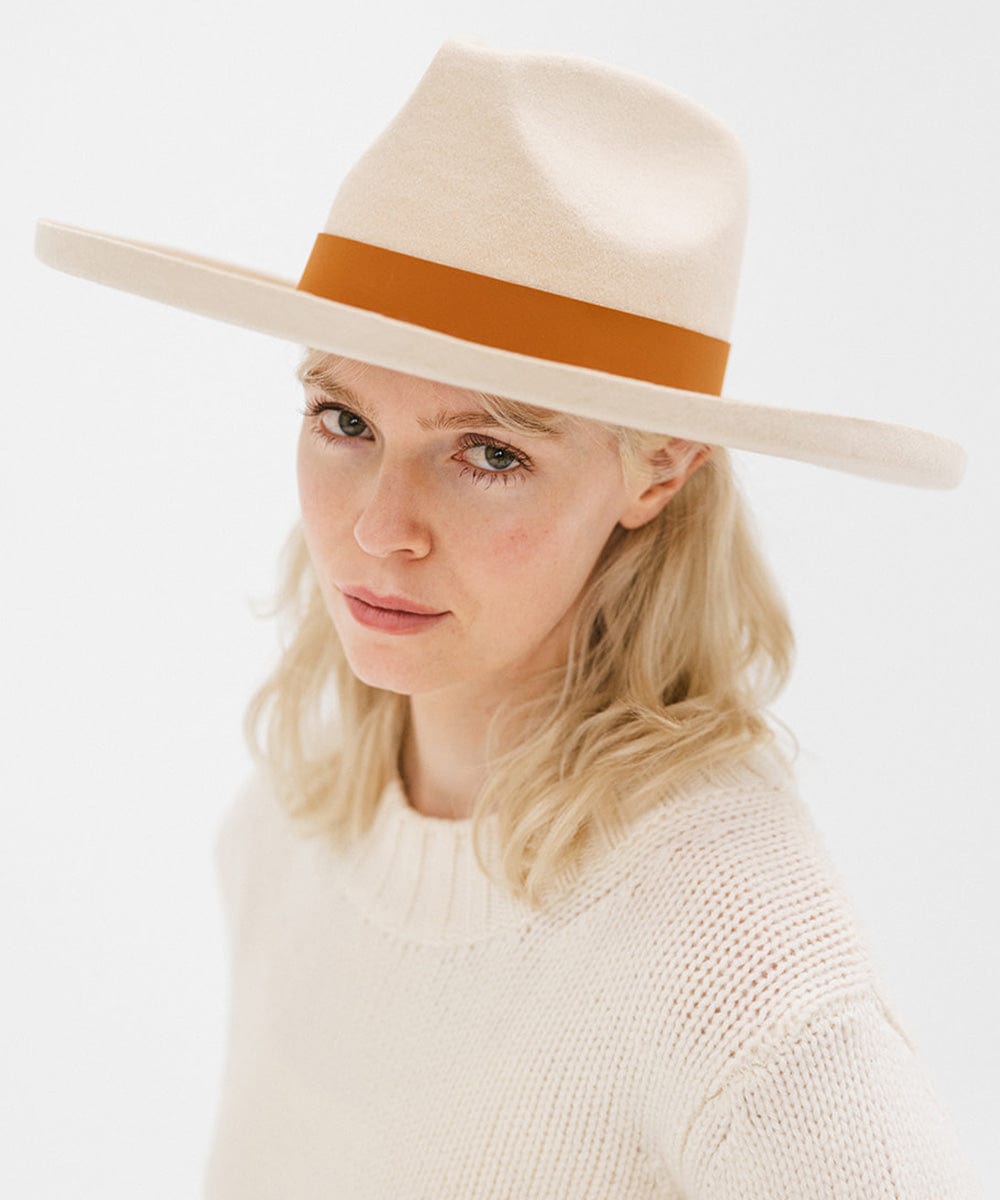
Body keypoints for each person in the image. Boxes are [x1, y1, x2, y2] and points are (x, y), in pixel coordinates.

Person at [34, 34, 982, 1200]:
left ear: (658, 469)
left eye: (487, 452)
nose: (381, 527)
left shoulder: (731, 939)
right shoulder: (285, 830)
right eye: (344, 420)